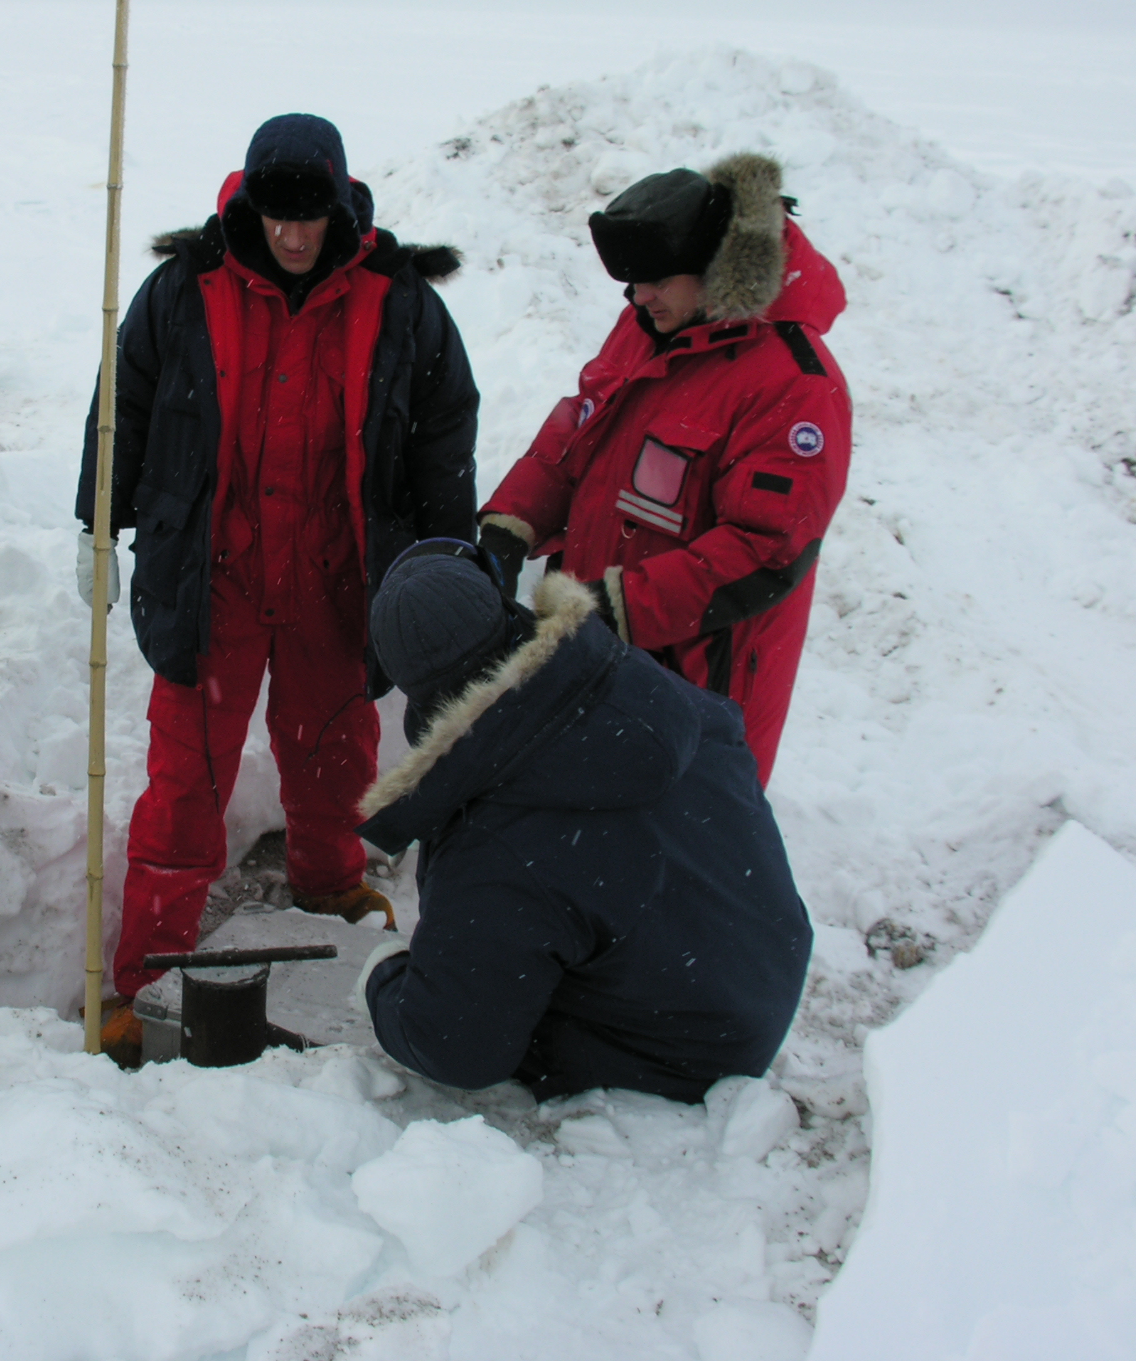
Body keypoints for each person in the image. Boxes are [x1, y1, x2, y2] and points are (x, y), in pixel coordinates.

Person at [75, 113, 479, 1066]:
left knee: (335, 750)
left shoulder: (399, 300)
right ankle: (143, 971)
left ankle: (329, 884)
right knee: (186, 781)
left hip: (339, 579)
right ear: (249, 205)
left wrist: (448, 557)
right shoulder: (185, 288)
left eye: (312, 217)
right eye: (277, 216)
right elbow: (123, 404)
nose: (294, 237)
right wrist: (97, 521)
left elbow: (442, 436)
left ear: (342, 207)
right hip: (210, 578)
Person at [353, 543, 813, 1102]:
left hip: (676, 1058)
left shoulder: (494, 838)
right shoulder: (634, 686)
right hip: (760, 978)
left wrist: (384, 981)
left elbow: (454, 1046)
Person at [476, 154, 850, 783]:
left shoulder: (794, 384)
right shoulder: (649, 322)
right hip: (594, 652)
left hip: (695, 686)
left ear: (715, 266)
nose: (637, 297)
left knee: (671, 832)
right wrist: (511, 523)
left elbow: (766, 549)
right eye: (631, 282)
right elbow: (582, 424)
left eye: (655, 280)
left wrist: (618, 607)